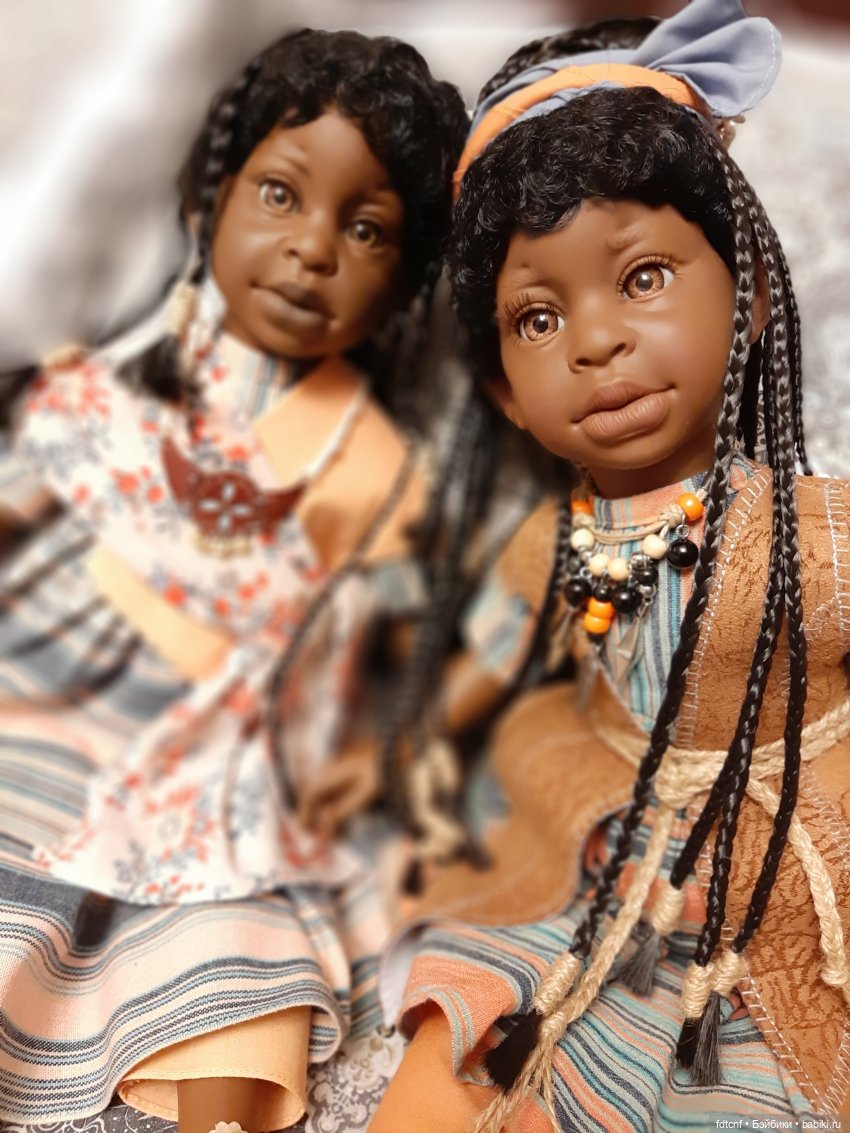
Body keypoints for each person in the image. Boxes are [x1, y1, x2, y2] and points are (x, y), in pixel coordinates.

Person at [370, 3, 850, 1130]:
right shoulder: (546, 549)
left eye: (642, 278)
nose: (594, 341)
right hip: (609, 846)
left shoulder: (811, 534)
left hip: (781, 861)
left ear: (751, 294)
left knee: (745, 1060)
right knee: (472, 1013)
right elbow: (488, 690)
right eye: (538, 319)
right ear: (503, 390)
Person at [0, 28, 467, 1133]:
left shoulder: (369, 455)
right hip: (36, 694)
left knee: (238, 929)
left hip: (208, 746)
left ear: (406, 282)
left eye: (365, 229)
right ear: (210, 199)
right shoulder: (109, 377)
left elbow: (356, 644)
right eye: (280, 194)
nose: (311, 249)